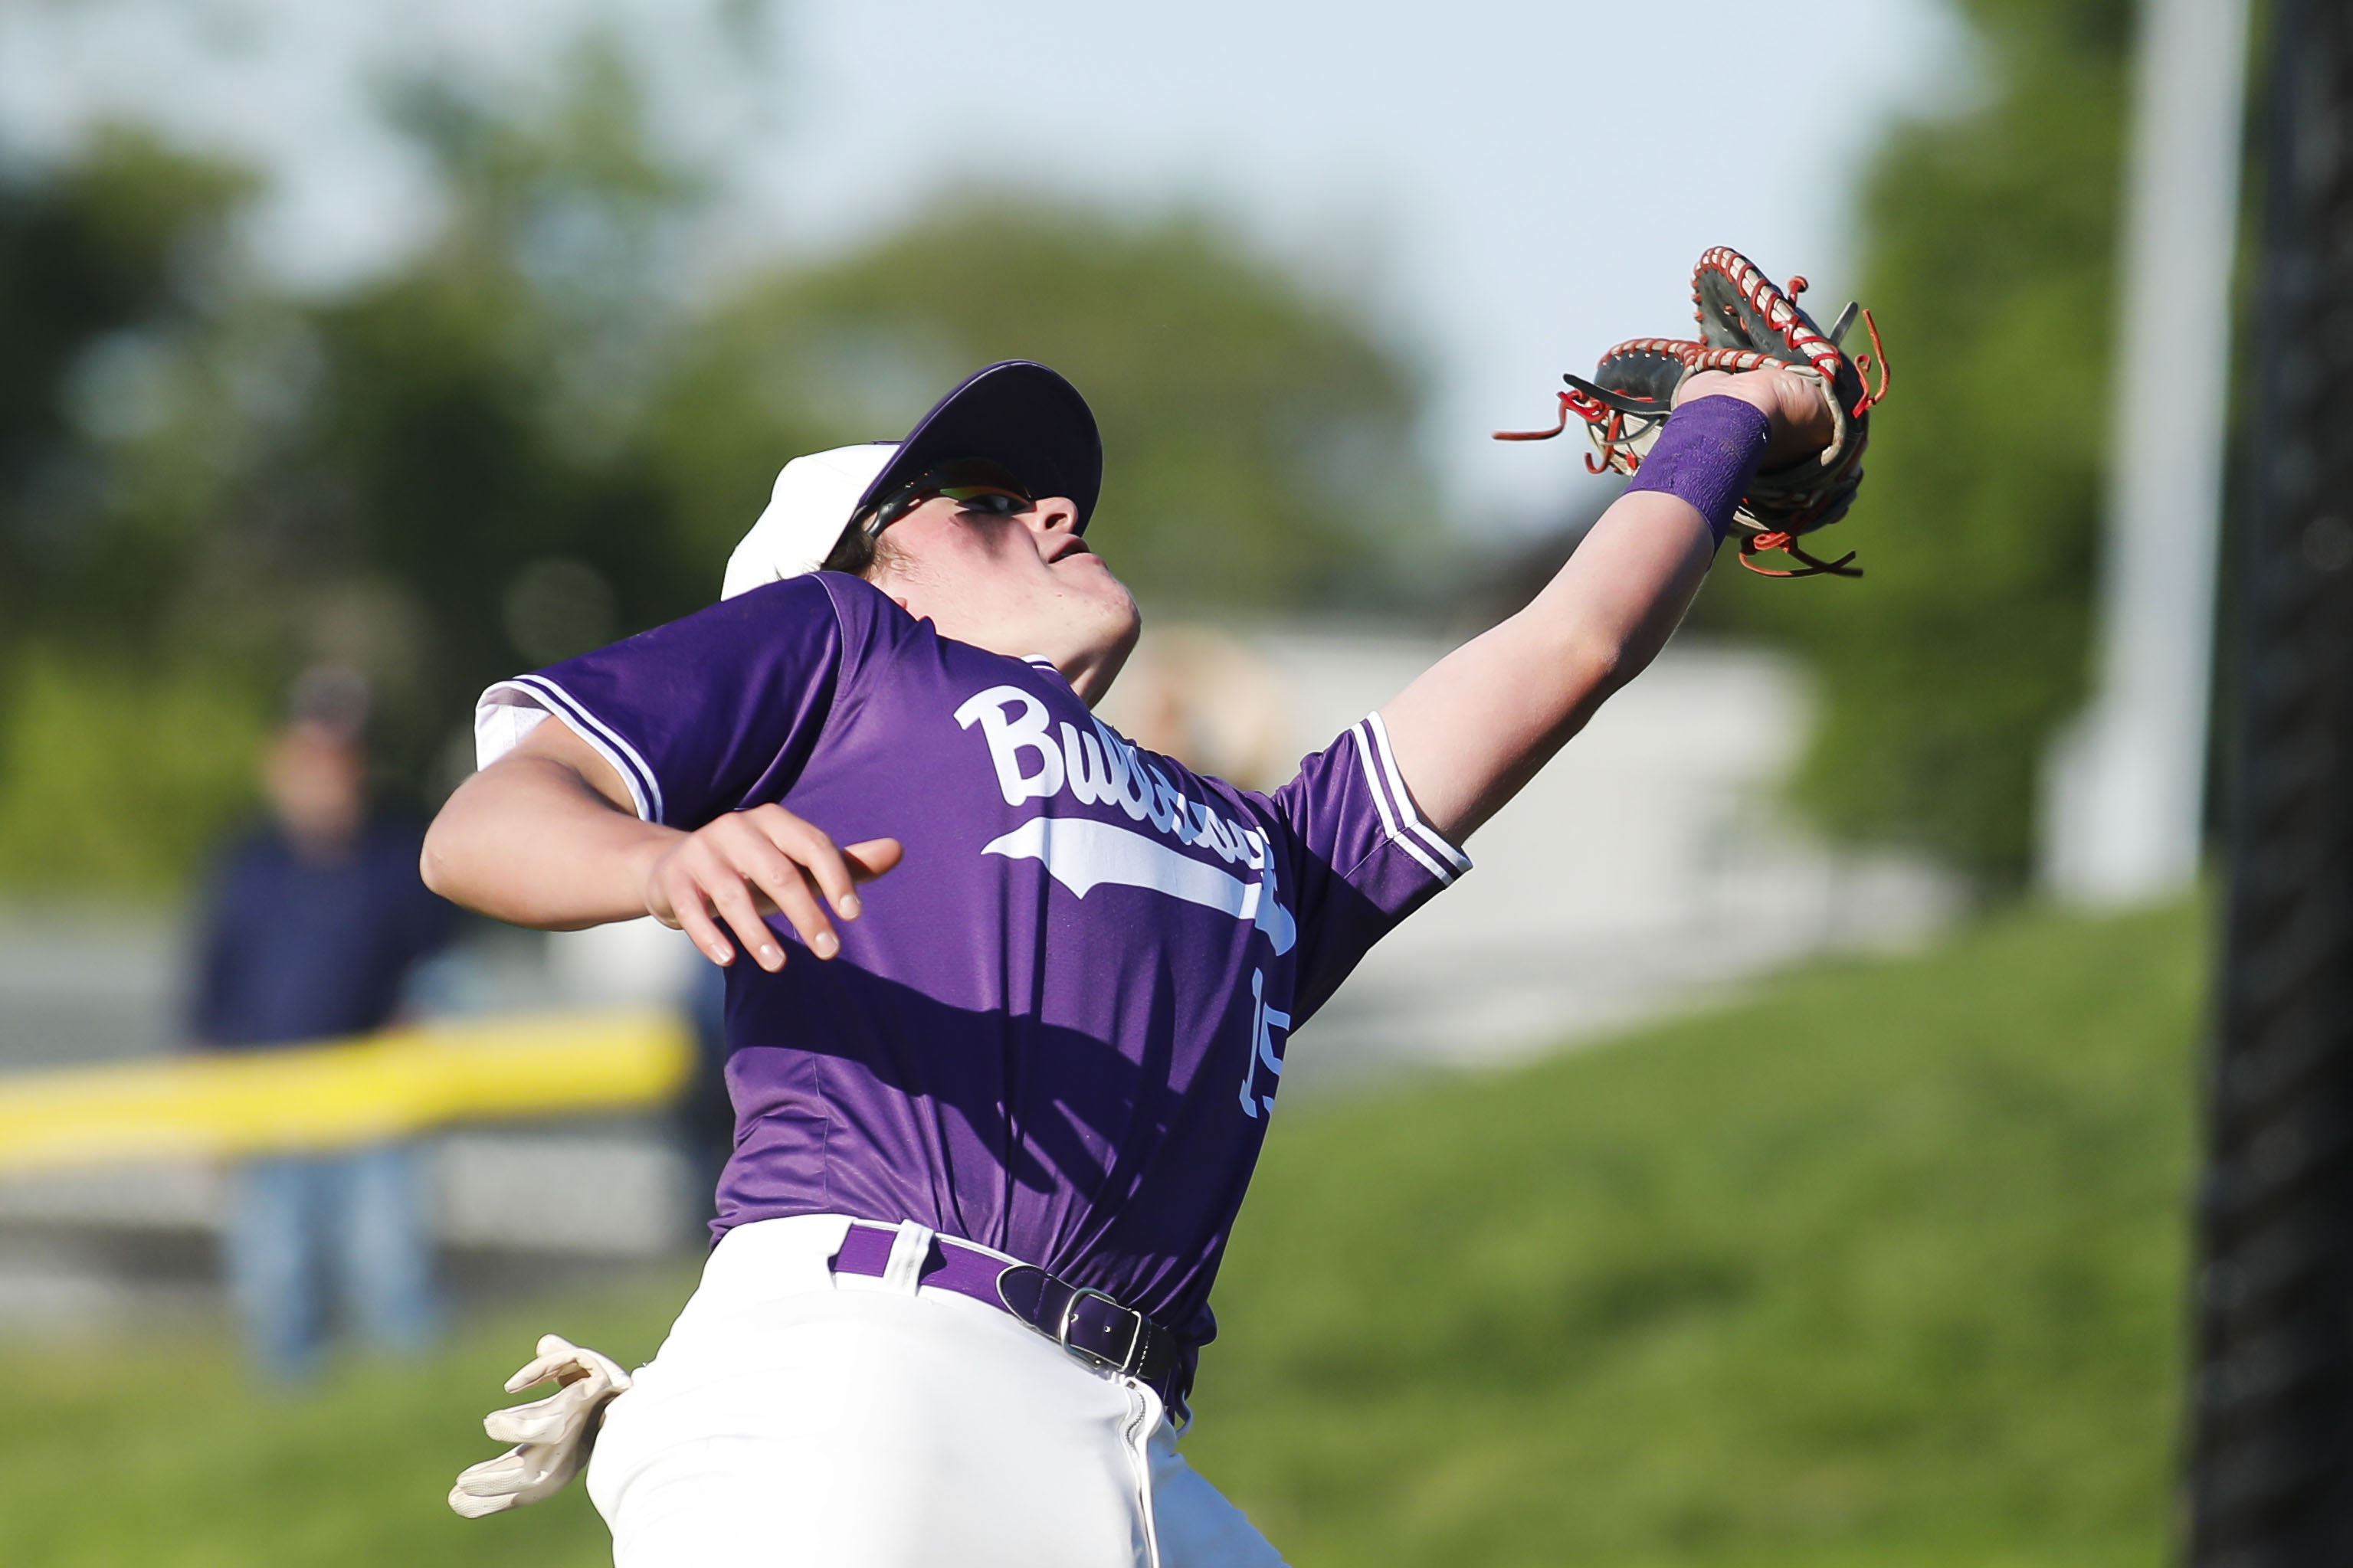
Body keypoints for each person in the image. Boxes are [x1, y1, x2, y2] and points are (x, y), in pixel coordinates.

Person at [424, 358, 1832, 1563]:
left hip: (1122, 1433)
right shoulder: (843, 646)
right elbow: (484, 825)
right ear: (870, 563)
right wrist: (660, 864)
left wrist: (1720, 426)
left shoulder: (1269, 847)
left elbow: (1568, 644)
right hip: (864, 1372)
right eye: (978, 497)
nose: (1052, 509)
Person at [191, 669, 456, 1381]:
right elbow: (212, 992)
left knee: (392, 1276)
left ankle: (414, 1419)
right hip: (269, 1106)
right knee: (280, 1288)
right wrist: (208, 1107)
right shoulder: (246, 864)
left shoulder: (402, 856)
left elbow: (440, 973)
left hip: (370, 1104)